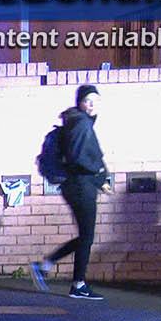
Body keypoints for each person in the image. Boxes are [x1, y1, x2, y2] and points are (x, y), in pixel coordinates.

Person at [31, 85, 112, 300]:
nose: (92, 104)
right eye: (88, 100)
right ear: (80, 102)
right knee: (87, 236)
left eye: (96, 99)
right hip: (80, 186)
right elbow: (81, 158)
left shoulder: (76, 121)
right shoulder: (81, 123)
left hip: (77, 185)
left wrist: (99, 179)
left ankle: (46, 265)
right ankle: (78, 284)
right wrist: (100, 177)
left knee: (86, 236)